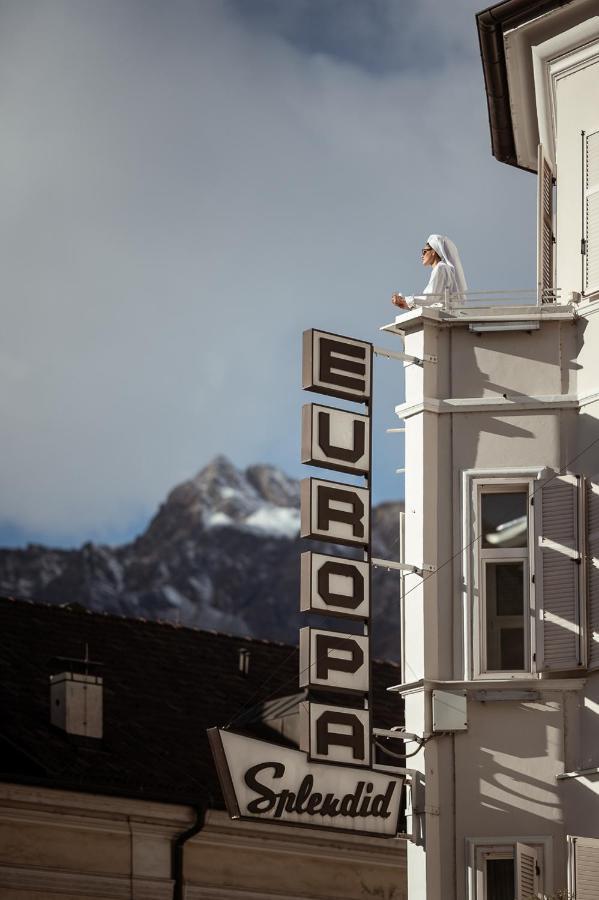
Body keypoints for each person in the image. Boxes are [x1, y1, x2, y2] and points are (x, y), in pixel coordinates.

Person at [392, 234, 467, 309]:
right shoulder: (441, 268)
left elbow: (430, 297)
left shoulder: (441, 268)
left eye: (424, 251)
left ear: (433, 252)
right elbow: (431, 300)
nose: (422, 256)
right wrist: (405, 304)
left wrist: (404, 300)